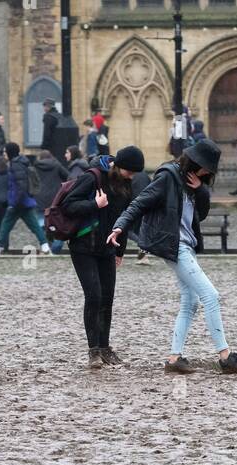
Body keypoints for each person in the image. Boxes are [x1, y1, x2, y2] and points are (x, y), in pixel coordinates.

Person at [110, 137, 237, 376]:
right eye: (205, 168)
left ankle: (174, 358)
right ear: (195, 162)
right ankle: (226, 357)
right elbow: (139, 204)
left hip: (186, 246)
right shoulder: (167, 177)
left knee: (190, 303)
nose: (207, 174)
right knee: (211, 295)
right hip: (175, 246)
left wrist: (201, 190)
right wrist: (120, 226)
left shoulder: (194, 182)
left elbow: (201, 214)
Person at [61, 146, 143, 366]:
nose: (132, 176)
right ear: (119, 166)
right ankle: (93, 351)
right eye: (130, 171)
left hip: (107, 248)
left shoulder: (125, 183)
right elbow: (68, 205)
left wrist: (120, 251)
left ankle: (105, 348)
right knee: (94, 296)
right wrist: (94, 205)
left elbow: (125, 218)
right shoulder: (93, 177)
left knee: (107, 298)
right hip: (83, 246)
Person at [0, 141, 50, 254]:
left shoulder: (16, 165)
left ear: (10, 152)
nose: (4, 154)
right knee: (34, 225)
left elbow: (20, 185)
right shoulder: (21, 163)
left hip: (18, 202)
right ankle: (45, 246)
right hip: (24, 201)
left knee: (6, 225)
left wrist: (15, 202)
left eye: (5, 152)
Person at [32, 146, 68, 253]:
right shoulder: (56, 165)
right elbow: (67, 176)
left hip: (39, 198)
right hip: (55, 198)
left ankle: (47, 245)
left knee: (41, 224)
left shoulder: (35, 166)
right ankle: (55, 248)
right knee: (57, 223)